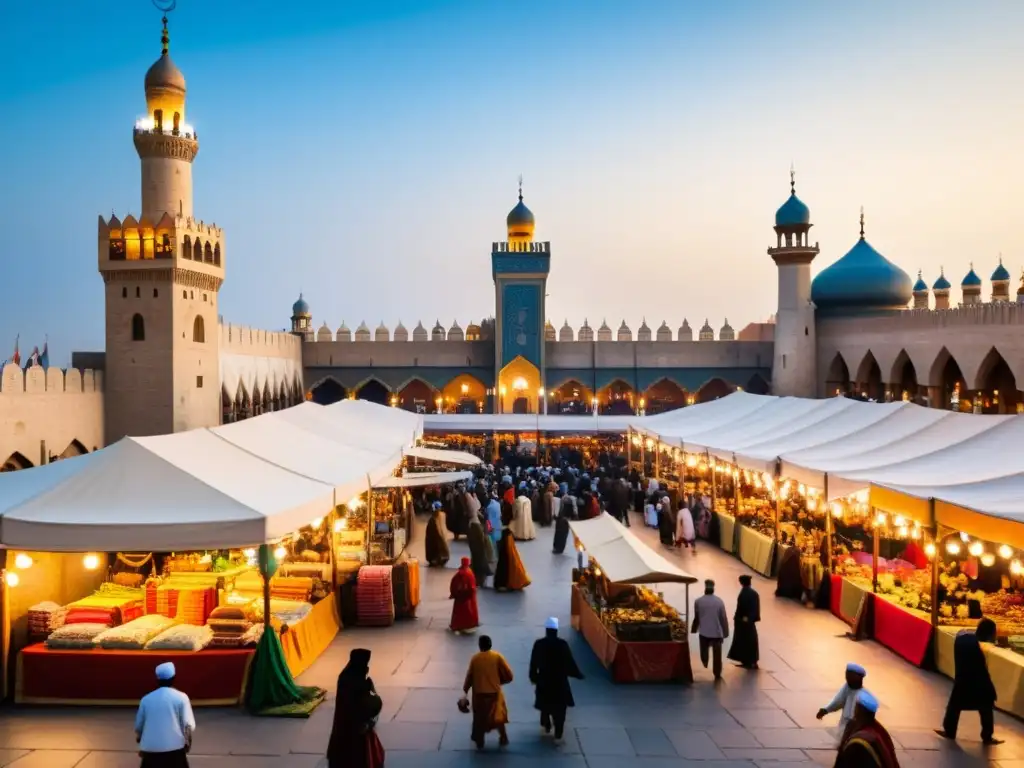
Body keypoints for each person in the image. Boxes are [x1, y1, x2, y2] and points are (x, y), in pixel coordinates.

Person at [935, 618, 1003, 745]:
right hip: (975, 683)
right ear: (988, 634)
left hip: (962, 680)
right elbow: (981, 671)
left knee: (955, 706)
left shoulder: (963, 639)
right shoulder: (975, 650)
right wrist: (991, 689)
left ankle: (950, 731)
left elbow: (962, 632)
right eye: (994, 633)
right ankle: (987, 736)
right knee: (986, 706)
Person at [327, 649, 385, 768]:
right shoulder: (355, 681)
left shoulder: (347, 675)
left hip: (347, 724)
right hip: (355, 725)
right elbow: (363, 704)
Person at [529, 617, 584, 744]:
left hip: (544, 680)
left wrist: (533, 677)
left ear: (547, 630)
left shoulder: (539, 644)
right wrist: (578, 674)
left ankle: (546, 724)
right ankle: (558, 733)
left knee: (545, 705)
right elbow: (570, 663)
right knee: (560, 708)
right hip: (559, 682)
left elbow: (534, 663)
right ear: (556, 630)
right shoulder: (562, 645)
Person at [135, 662, 195, 768]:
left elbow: (139, 726)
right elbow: (188, 725)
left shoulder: (146, 699)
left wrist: (141, 741)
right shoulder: (181, 697)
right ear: (174, 678)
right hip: (175, 750)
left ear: (157, 680)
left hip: (150, 751)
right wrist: (187, 744)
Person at [463, 635, 513, 750]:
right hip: (494, 694)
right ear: (491, 644)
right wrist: (499, 682)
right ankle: (503, 737)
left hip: (479, 694)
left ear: (480, 646)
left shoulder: (475, 659)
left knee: (479, 718)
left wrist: (465, 690)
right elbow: (509, 675)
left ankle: (480, 740)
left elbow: (469, 676)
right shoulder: (497, 657)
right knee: (498, 717)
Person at [833, 692, 900, 768]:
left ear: (858, 710)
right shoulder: (880, 730)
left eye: (855, 706)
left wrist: (843, 743)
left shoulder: (858, 743)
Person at [816, 663, 868, 737]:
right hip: (845, 722)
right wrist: (826, 710)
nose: (847, 678)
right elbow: (838, 701)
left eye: (850, 676)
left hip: (855, 726)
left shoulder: (863, 694)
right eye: (847, 675)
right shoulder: (847, 687)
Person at [692, 579, 729, 680]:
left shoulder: (698, 601)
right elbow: (723, 618)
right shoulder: (719, 602)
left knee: (704, 650)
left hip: (704, 632)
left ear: (705, 589)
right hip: (717, 633)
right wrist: (725, 632)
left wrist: (693, 629)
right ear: (713, 589)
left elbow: (697, 617)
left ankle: (705, 661)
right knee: (717, 655)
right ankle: (717, 672)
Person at [727, 574, 760, 669]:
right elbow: (756, 608)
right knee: (751, 640)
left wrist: (741, 618)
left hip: (743, 621)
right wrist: (752, 618)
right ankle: (752, 661)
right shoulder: (754, 593)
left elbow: (742, 608)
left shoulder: (744, 593)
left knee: (743, 641)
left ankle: (747, 661)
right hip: (750, 621)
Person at [493, 526, 532, 591]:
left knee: (504, 558)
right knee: (506, 558)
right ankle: (503, 582)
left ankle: (502, 582)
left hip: (502, 532)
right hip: (503, 532)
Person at [449, 557, 480, 634]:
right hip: (468, 598)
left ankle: (458, 626)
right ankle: (468, 625)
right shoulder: (470, 573)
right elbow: (472, 588)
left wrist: (454, 594)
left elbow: (453, 584)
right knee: (469, 611)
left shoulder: (458, 574)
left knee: (459, 612)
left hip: (459, 598)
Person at [466, 513, 494, 588]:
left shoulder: (475, 526)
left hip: (481, 545)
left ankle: (479, 580)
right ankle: (481, 579)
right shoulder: (483, 523)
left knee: (479, 558)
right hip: (483, 542)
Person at [425, 501, 450, 567]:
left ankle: (438, 558)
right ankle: (436, 558)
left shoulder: (439, 516)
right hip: (434, 540)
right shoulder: (433, 520)